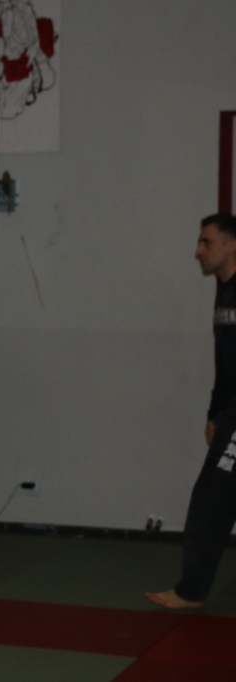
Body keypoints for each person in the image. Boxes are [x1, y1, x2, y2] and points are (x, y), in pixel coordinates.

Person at [147, 213, 236, 610]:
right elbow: (227, 362)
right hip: (230, 412)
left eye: (207, 242)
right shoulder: (225, 292)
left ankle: (191, 591)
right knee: (213, 497)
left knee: (211, 498)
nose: (198, 251)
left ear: (231, 245)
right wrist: (215, 414)